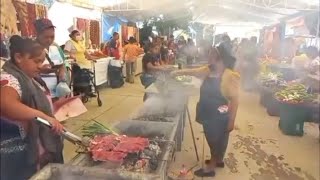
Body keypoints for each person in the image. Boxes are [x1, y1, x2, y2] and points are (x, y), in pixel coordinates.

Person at [0, 35, 64, 180]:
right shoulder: (9, 78)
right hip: (19, 150)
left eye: (42, 61)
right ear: (18, 57)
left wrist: (57, 106)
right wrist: (44, 116)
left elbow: (36, 104)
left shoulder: (31, 78)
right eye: (37, 61)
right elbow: (7, 104)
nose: (41, 65)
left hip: (38, 145)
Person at [171, 44, 240, 177]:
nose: (208, 56)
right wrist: (177, 72)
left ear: (219, 58)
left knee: (215, 139)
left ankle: (211, 168)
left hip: (219, 113)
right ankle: (218, 160)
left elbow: (235, 100)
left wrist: (231, 121)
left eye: (211, 54)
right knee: (217, 138)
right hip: (207, 111)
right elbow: (193, 72)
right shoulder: (209, 70)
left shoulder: (229, 75)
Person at [34, 19, 70, 101]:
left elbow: (61, 64)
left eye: (52, 37)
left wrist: (61, 73)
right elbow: (25, 70)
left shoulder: (54, 47)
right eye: (46, 37)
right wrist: (41, 70)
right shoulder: (31, 48)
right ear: (37, 34)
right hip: (40, 94)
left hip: (56, 92)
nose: (49, 40)